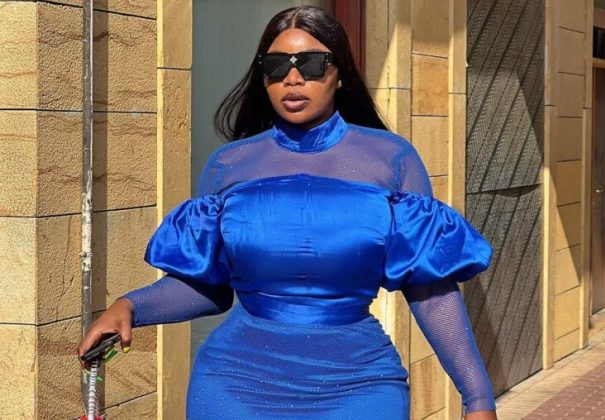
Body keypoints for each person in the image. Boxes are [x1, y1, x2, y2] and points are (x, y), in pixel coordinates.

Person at [78, 6, 498, 420]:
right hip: (234, 386)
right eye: (277, 66)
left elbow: (430, 292)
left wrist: (478, 399)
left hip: (360, 387)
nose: (293, 79)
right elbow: (209, 287)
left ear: (339, 73)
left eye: (311, 64)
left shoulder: (391, 160)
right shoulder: (229, 166)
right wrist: (130, 306)